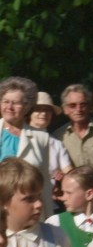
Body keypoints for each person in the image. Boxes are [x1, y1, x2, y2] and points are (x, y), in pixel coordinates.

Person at [0, 77, 53, 219]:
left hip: (27, 215)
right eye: (5, 101)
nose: (9, 107)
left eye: (15, 103)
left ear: (27, 106)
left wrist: (48, 218)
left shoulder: (41, 138)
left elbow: (45, 184)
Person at [26, 92, 74, 206]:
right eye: (38, 109)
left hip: (52, 203)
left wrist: (62, 179)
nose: (43, 113)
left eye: (47, 110)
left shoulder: (57, 144)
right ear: (30, 113)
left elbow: (70, 173)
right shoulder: (21, 138)